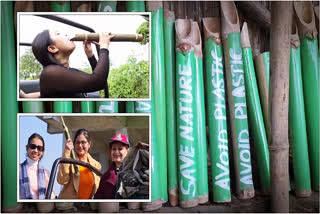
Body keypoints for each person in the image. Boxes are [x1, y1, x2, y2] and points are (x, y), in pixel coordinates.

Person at [31, 30, 114, 98]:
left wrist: (90, 55)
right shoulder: (50, 73)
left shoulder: (67, 71)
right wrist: (104, 47)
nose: (66, 34)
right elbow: (98, 82)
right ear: (53, 48)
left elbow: (100, 81)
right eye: (58, 34)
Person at [57, 129, 101, 199]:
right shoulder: (69, 160)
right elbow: (61, 180)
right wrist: (67, 151)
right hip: (69, 206)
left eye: (83, 142)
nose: (80, 145)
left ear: (89, 144)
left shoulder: (96, 165)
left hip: (86, 207)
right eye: (77, 142)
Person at [94, 133, 130, 199]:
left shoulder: (135, 172)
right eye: (114, 149)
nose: (116, 152)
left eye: (120, 149)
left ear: (127, 150)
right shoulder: (105, 177)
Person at [19, 133, 54, 199]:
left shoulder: (46, 173)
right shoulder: (17, 170)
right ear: (27, 148)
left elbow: (51, 196)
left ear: (43, 151)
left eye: (39, 148)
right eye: (33, 147)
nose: (36, 150)